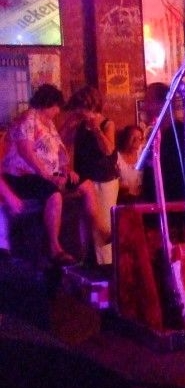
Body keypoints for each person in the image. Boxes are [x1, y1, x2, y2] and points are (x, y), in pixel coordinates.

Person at [1, 84, 108, 266]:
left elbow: (59, 149)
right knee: (54, 195)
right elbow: (27, 152)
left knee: (87, 186)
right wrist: (48, 176)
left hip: (52, 172)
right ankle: (54, 246)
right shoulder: (28, 119)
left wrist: (66, 168)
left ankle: (98, 230)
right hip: (24, 175)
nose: (58, 112)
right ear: (48, 103)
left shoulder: (48, 123)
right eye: (57, 107)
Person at [65, 86, 119, 265]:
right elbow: (63, 145)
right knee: (85, 227)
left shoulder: (107, 124)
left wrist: (96, 130)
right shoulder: (79, 125)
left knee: (102, 227)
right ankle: (87, 265)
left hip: (104, 180)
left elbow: (109, 150)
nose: (79, 111)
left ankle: (107, 267)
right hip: (85, 181)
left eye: (81, 107)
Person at [116, 124, 145, 203]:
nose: (136, 141)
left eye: (139, 138)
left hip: (142, 200)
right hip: (123, 200)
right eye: (132, 137)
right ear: (125, 138)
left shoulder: (142, 153)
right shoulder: (116, 158)